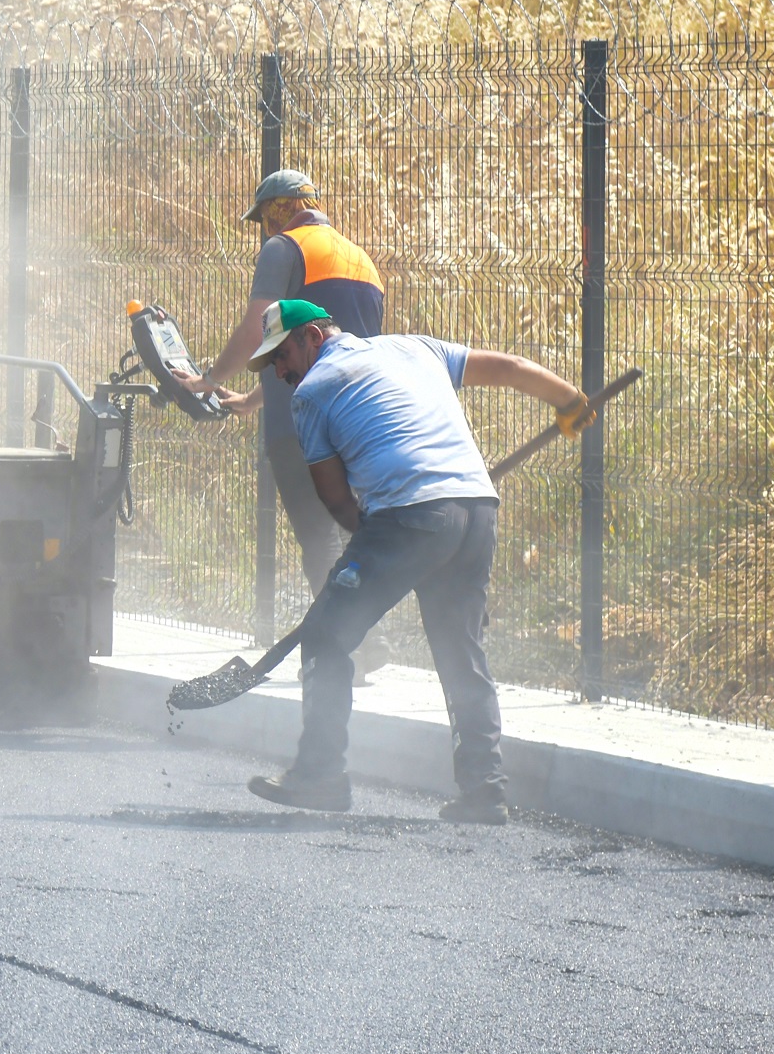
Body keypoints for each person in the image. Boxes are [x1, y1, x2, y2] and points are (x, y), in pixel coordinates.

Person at [240, 298, 590, 824]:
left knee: (327, 635)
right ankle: (484, 791)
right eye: (272, 365)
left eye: (283, 355)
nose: (281, 371)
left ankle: (320, 776)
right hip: (476, 510)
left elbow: (336, 500)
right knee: (460, 648)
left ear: (313, 336)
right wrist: (569, 398)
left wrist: (382, 550)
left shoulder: (312, 393)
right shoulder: (414, 347)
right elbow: (512, 369)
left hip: (411, 513)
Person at [199, 170, 385, 595]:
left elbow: (256, 330)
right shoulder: (362, 261)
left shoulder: (283, 248)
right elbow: (329, 354)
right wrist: (252, 399)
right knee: (356, 531)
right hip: (359, 423)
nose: (267, 230)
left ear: (280, 210)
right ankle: (367, 635)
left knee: (317, 537)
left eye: (266, 219)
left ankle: (336, 644)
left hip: (302, 426)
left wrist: (208, 380)